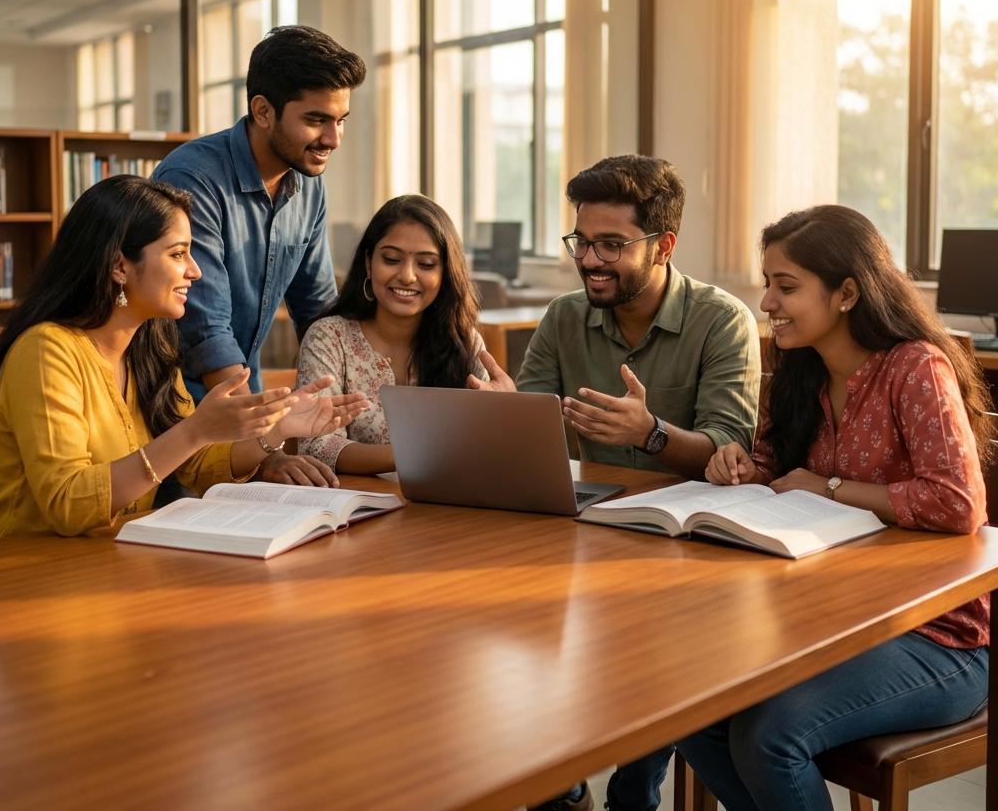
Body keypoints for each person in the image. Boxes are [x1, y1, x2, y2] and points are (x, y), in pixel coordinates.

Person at [675, 204, 992, 811]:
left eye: (785, 286)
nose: (766, 302)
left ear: (846, 293)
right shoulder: (795, 369)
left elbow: (957, 504)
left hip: (938, 638)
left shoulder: (915, 366)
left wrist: (830, 488)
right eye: (766, 283)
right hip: (827, 622)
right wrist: (739, 465)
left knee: (770, 734)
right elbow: (774, 468)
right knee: (686, 705)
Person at [470, 154, 761, 811]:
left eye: (612, 245)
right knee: (505, 627)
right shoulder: (565, 318)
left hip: (690, 553)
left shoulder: (723, 321)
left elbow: (730, 448)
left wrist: (650, 433)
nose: (591, 260)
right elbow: (532, 426)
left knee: (644, 642)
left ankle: (629, 790)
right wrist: (502, 408)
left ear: (663, 246)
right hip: (590, 534)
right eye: (582, 242)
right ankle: (554, 780)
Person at [0, 177, 367, 542]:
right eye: (178, 253)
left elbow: (196, 465)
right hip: (20, 576)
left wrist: (273, 431)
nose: (194, 271)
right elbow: (68, 504)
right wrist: (194, 430)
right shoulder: (46, 351)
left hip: (107, 565)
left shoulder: (149, 346)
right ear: (119, 265)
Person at [153, 25, 366, 487]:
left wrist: (355, 410)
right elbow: (206, 328)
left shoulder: (308, 187)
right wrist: (260, 448)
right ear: (263, 111)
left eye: (342, 120)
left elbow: (319, 313)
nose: (333, 138)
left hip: (239, 414)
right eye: (316, 120)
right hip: (170, 415)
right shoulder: (194, 177)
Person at [297, 195, 487, 474]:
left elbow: (488, 445)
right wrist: (418, 455)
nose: (407, 276)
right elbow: (317, 446)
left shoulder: (463, 341)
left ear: (445, 273)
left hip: (448, 508)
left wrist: (506, 409)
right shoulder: (329, 337)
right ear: (368, 261)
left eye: (426, 264)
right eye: (392, 259)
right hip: (358, 508)